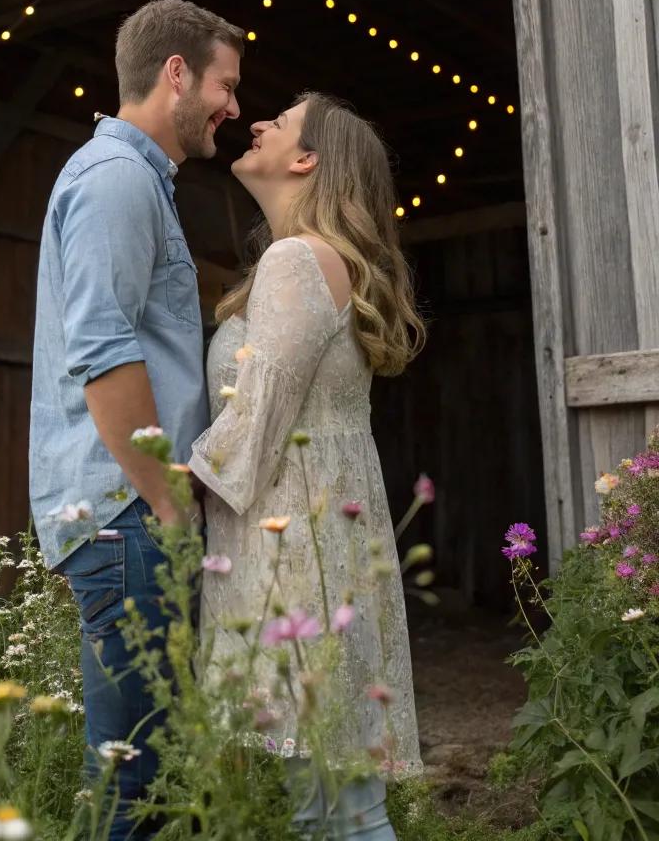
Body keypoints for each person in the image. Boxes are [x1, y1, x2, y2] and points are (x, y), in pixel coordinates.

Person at [29, 0, 243, 840]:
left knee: (147, 777)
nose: (233, 106)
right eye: (226, 84)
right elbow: (104, 349)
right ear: (177, 73)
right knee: (135, 788)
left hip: (129, 516)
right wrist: (164, 502)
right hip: (127, 519)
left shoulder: (136, 181)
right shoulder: (116, 179)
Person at [188, 92, 425, 840]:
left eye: (279, 122)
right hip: (314, 541)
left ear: (306, 159)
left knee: (341, 811)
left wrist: (161, 487)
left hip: (298, 554)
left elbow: (259, 414)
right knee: (328, 806)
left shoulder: (298, 259)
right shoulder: (302, 261)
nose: (255, 122)